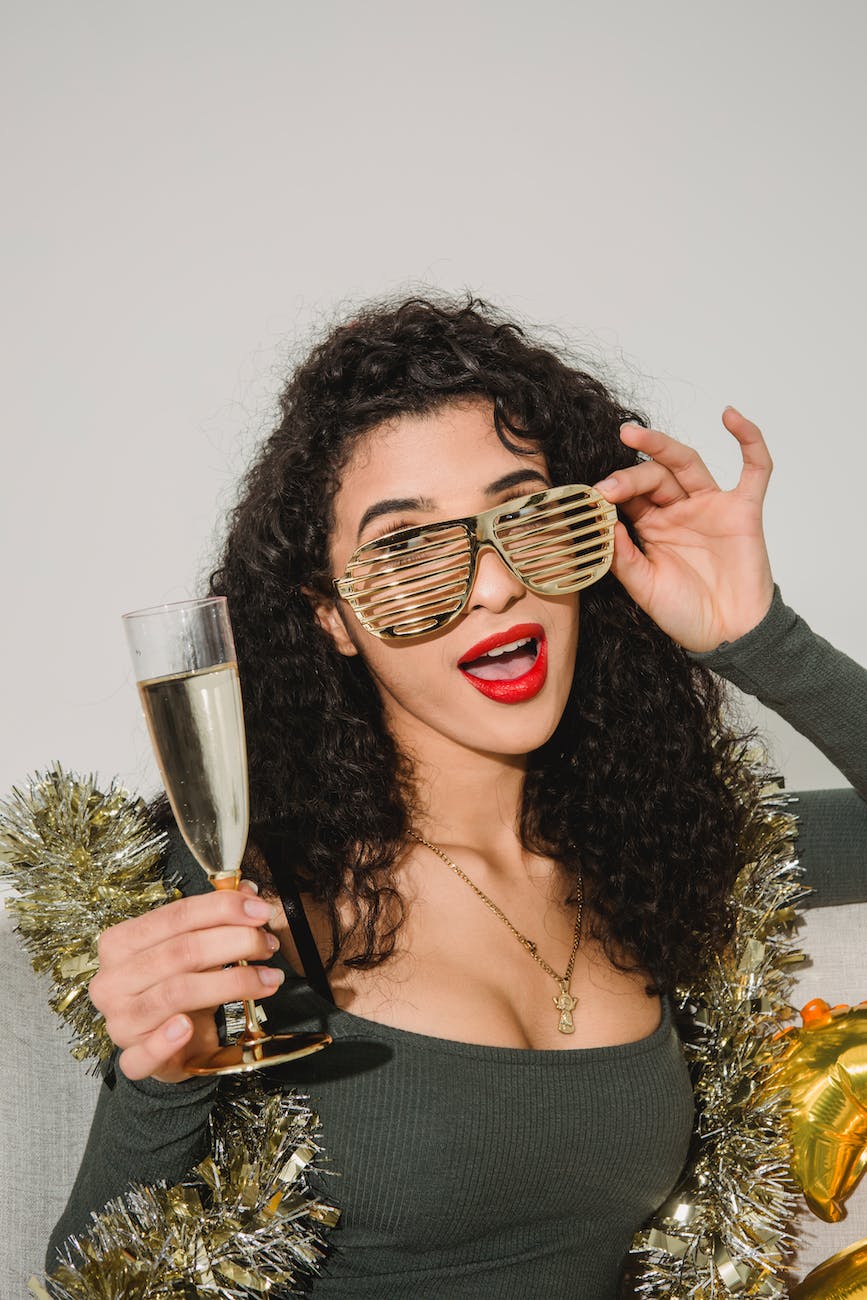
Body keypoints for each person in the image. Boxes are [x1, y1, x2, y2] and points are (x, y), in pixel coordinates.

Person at [48, 298, 867, 1297]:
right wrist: (157, 1079)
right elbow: (91, 1277)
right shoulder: (248, 892)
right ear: (332, 617)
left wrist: (758, 635)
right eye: (405, 550)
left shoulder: (666, 846)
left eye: (527, 518)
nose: (491, 586)